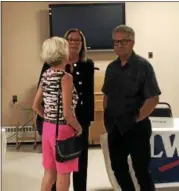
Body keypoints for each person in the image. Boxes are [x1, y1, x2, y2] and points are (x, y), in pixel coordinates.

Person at [102, 25, 161, 191]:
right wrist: (106, 120)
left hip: (137, 129)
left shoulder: (144, 66)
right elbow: (107, 95)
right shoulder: (111, 68)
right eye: (116, 42)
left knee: (141, 172)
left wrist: (135, 119)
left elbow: (153, 99)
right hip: (115, 128)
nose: (119, 45)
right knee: (118, 169)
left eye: (124, 41)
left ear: (132, 42)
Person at [37, 28, 95, 191]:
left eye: (78, 40)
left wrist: (48, 116)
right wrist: (76, 127)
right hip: (66, 126)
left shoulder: (86, 64)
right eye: (71, 40)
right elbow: (65, 111)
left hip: (65, 122)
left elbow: (88, 93)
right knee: (62, 172)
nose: (74, 43)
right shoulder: (62, 74)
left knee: (60, 169)